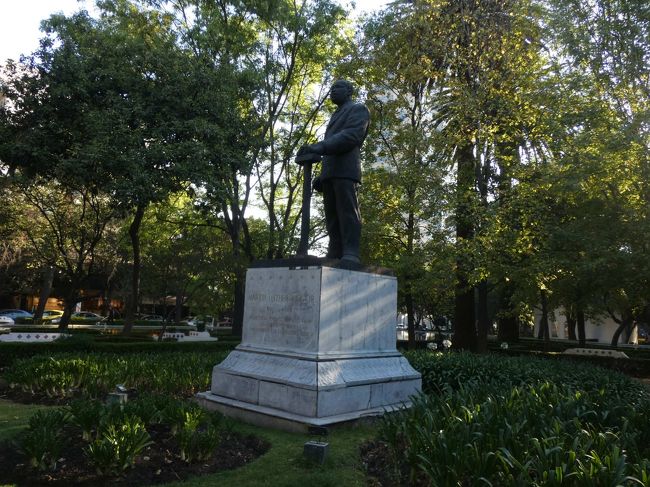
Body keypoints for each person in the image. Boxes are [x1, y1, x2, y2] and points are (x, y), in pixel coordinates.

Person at [298, 79, 370, 263]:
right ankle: (335, 251)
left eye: (337, 88)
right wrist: (322, 176)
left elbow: (350, 136)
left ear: (348, 91)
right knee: (331, 215)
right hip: (331, 172)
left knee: (347, 212)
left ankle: (351, 252)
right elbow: (333, 144)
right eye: (331, 88)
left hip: (346, 169)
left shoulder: (358, 109)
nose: (332, 91)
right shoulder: (336, 114)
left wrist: (319, 147)